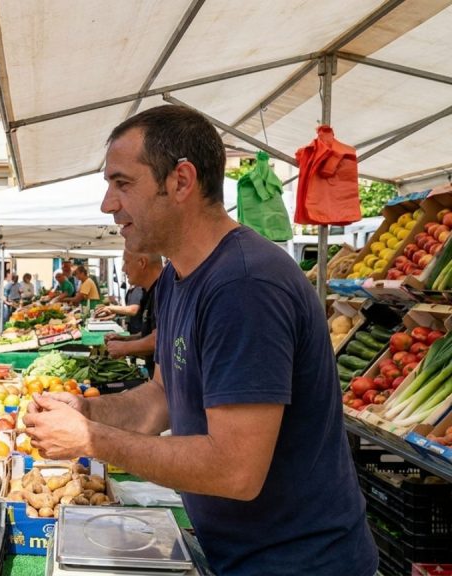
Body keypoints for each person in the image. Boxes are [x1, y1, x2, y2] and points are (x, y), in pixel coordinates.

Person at [23, 104, 377, 576]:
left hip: (299, 564)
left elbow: (236, 469)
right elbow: (162, 397)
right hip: (236, 554)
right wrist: (88, 412)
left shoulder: (245, 285)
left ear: (181, 181)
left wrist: (92, 439)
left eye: (122, 183)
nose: (108, 204)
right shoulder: (176, 279)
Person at [98, 251, 162, 369]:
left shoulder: (163, 292)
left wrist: (124, 348)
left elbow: (160, 339)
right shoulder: (149, 292)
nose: (123, 269)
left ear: (142, 262)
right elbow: (147, 333)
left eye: (126, 262)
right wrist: (124, 339)